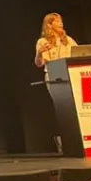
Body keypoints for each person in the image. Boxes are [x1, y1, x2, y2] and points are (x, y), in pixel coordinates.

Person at [33, 12, 78, 154]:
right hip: (54, 77)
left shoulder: (68, 40)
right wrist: (39, 53)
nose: (61, 24)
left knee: (76, 109)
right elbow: (39, 64)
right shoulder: (42, 42)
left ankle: (77, 139)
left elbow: (80, 54)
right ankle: (63, 141)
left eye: (61, 21)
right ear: (49, 24)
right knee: (62, 109)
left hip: (72, 75)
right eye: (57, 21)